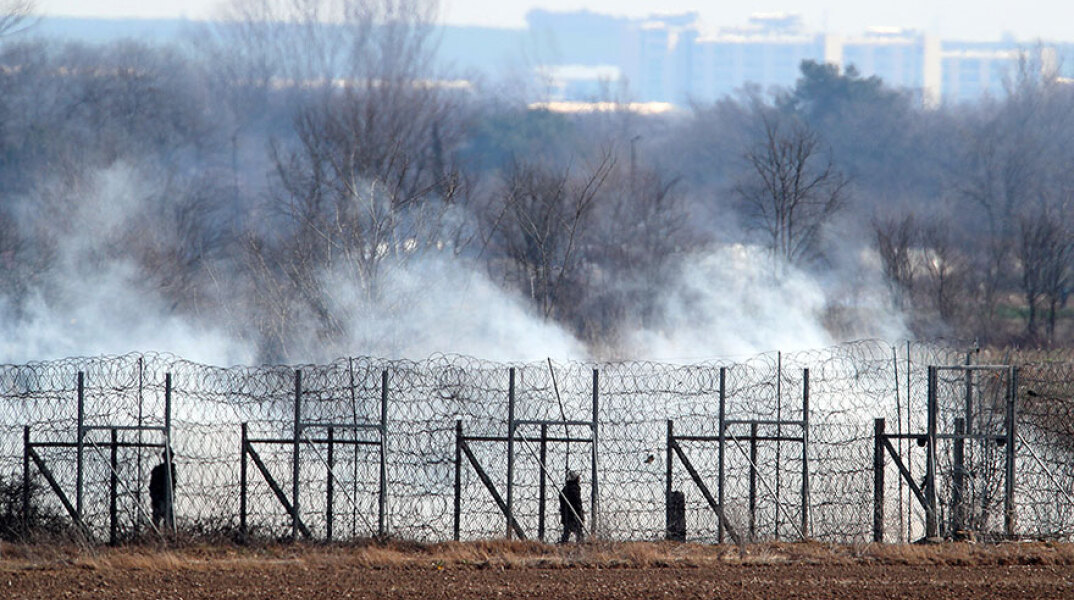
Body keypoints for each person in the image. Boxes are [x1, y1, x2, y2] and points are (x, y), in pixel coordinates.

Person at [149, 449, 177, 529]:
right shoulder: (158, 470)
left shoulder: (172, 469)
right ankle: (157, 534)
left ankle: (169, 533)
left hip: (167, 499)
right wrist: (156, 498)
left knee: (170, 522)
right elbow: (152, 486)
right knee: (157, 523)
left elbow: (173, 486)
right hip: (159, 499)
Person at [558, 470, 585, 543]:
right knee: (579, 534)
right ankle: (580, 546)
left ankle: (563, 545)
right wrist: (581, 515)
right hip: (574, 516)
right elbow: (577, 504)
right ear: (576, 479)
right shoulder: (575, 489)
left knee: (566, 534)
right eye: (578, 477)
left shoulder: (565, 489)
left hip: (566, 516)